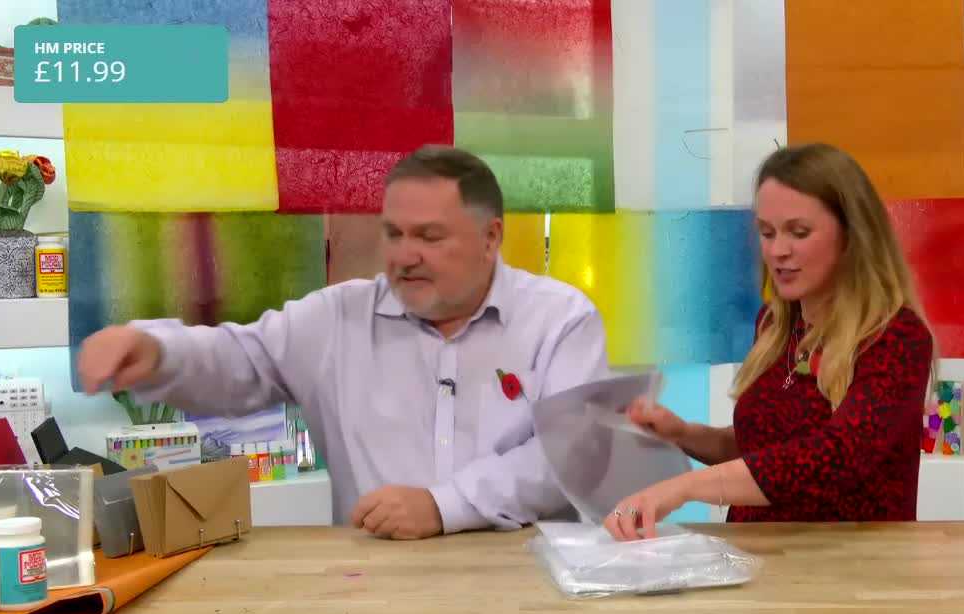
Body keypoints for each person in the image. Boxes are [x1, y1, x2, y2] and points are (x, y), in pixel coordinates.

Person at [77, 145, 610, 540]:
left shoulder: (560, 318)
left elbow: (571, 453)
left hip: (530, 585)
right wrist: (157, 351)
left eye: (428, 236)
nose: (403, 256)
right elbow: (239, 359)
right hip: (374, 589)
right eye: (394, 234)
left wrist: (445, 506)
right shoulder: (336, 316)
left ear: (491, 238)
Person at [604, 142, 934, 541]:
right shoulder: (776, 325)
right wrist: (684, 434)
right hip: (759, 565)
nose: (777, 251)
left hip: (852, 579)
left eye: (799, 232)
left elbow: (837, 457)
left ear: (852, 235)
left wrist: (686, 487)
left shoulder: (897, 338)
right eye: (766, 232)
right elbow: (764, 453)